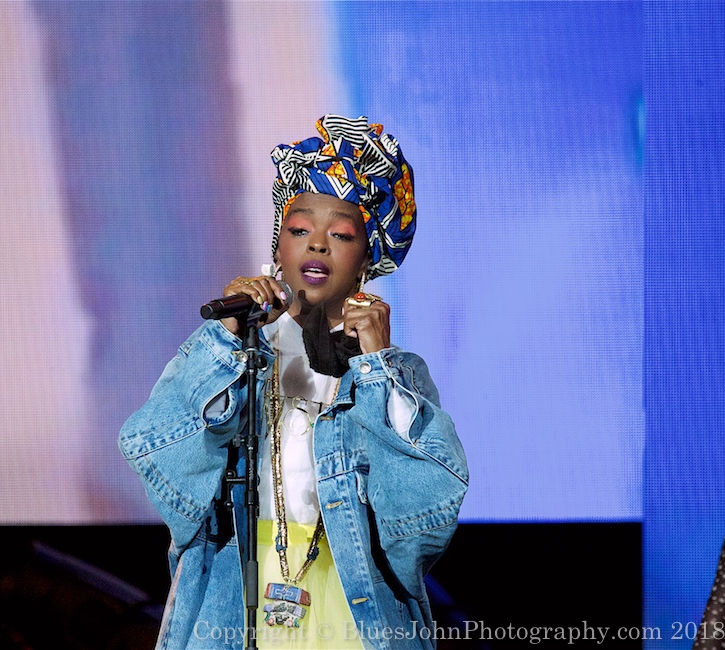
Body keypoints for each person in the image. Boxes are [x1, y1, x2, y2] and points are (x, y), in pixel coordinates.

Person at [119, 115, 468, 649]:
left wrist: (376, 369)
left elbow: (419, 529)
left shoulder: (398, 376)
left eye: (342, 235)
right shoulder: (237, 357)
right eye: (300, 229)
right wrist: (224, 341)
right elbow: (162, 462)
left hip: (353, 605)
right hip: (237, 602)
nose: (318, 246)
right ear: (278, 245)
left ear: (367, 261)